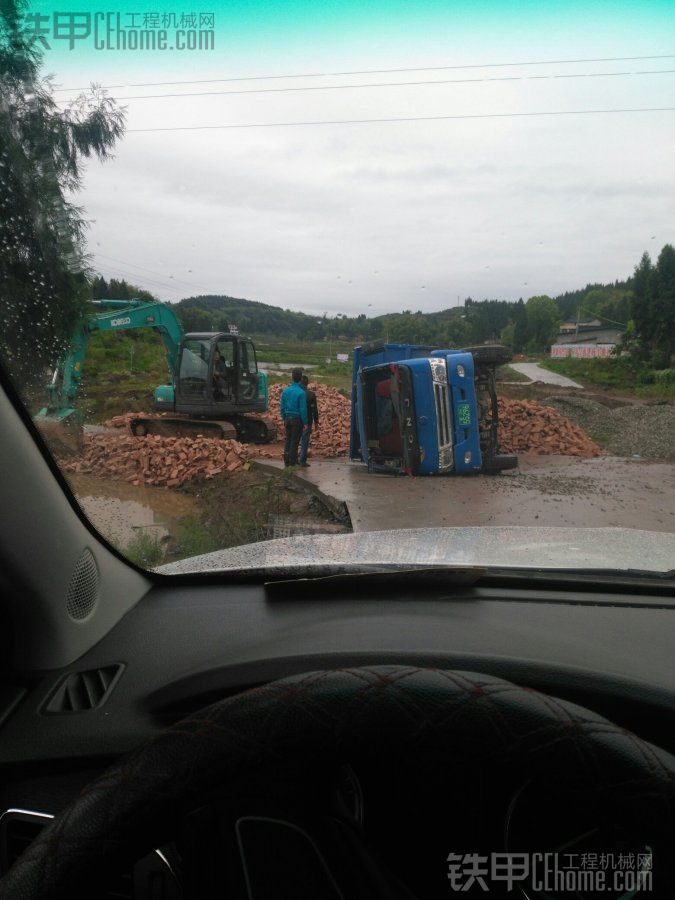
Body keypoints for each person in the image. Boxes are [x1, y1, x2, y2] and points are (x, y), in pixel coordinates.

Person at [280, 368, 308, 467]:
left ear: (292, 377)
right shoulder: (301, 393)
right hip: (297, 419)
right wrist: (305, 422)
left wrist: (284, 417)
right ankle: (292, 462)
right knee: (294, 441)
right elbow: (303, 410)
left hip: (287, 417)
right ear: (300, 378)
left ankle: (286, 460)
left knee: (288, 439)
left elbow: (282, 407)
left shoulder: (286, 391)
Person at [299, 374, 319, 467]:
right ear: (307, 384)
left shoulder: (296, 392)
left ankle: (292, 460)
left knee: (294, 440)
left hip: (296, 420)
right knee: (305, 441)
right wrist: (316, 423)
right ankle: (302, 461)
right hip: (307, 421)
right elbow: (314, 410)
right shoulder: (311, 394)